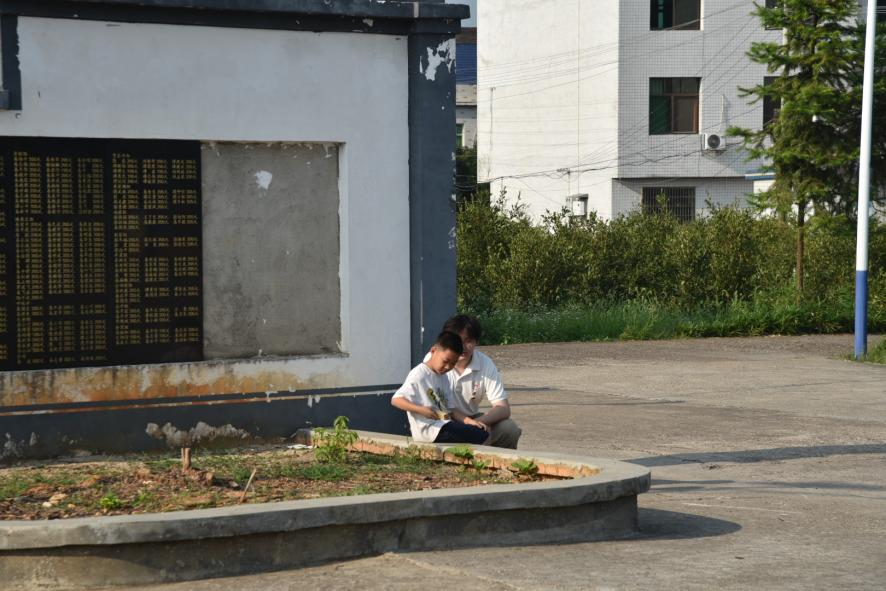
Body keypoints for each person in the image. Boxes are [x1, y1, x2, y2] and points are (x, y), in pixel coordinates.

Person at [436, 314, 522, 449]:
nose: (462, 346)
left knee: (509, 429)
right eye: (457, 340)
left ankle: (498, 461)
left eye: (468, 341)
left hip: (472, 417)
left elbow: (503, 408)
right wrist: (467, 424)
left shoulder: (485, 363)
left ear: (476, 341)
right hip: (443, 420)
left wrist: (477, 423)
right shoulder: (435, 360)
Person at [391, 331, 490, 444]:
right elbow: (396, 400)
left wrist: (468, 421)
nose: (448, 367)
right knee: (480, 435)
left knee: (482, 430)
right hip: (430, 430)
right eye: (445, 361)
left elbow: (451, 410)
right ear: (433, 351)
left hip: (444, 425)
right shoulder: (419, 373)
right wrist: (421, 410)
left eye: (453, 364)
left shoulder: (444, 377)